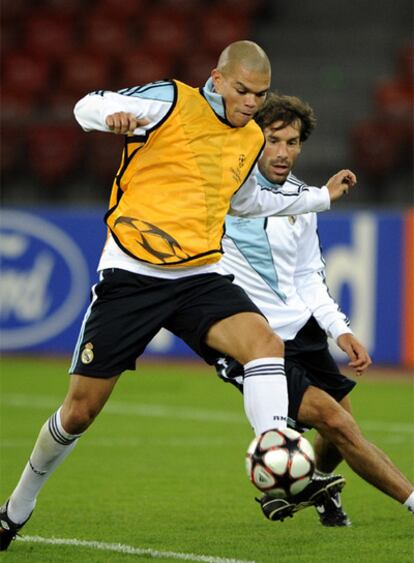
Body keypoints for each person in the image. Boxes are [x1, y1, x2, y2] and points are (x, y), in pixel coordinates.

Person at [0, 41, 355, 552]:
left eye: (259, 93)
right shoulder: (170, 100)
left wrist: (319, 197)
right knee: (79, 411)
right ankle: (17, 507)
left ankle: (273, 452)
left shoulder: (250, 137)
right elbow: (85, 105)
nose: (252, 102)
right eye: (242, 90)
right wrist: (112, 116)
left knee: (264, 345)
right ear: (217, 77)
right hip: (132, 274)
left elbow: (248, 198)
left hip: (198, 276)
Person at [215, 92, 414, 525]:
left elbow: (309, 277)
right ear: (253, 139)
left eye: (292, 141)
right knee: (338, 424)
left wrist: (339, 330)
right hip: (255, 341)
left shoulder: (304, 200)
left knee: (338, 427)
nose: (283, 151)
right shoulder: (223, 195)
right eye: (273, 140)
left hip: (303, 332)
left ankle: (312, 488)